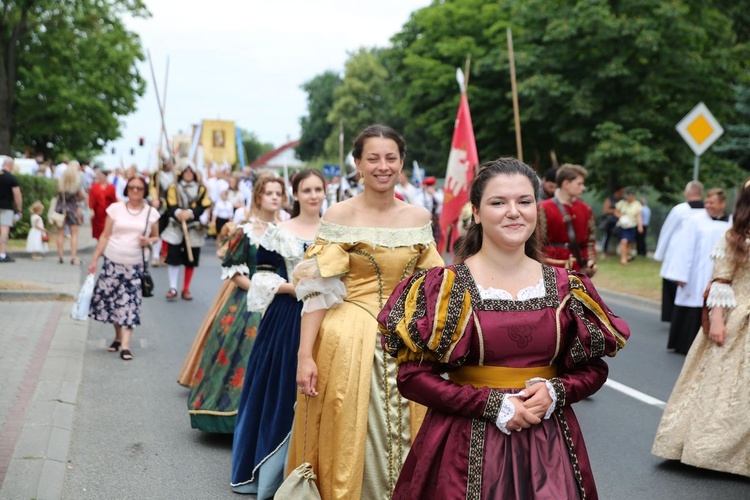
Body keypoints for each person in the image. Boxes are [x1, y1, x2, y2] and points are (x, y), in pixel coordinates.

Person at [378, 157, 630, 499]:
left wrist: (556, 391)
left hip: (550, 446)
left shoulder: (567, 286)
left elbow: (593, 370)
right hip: (463, 447)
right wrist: (491, 404)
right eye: (499, 202)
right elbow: (412, 377)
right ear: (477, 213)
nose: (514, 211)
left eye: (524, 201)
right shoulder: (447, 288)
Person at [290, 125, 443, 499]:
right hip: (348, 338)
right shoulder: (340, 214)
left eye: (390, 158)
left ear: (402, 163)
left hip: (409, 340)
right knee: (347, 426)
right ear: (357, 163)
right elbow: (317, 292)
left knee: (418, 425)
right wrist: (304, 355)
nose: (382, 166)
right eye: (372, 158)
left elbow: (434, 285)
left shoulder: (418, 216)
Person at [231, 169, 324, 496]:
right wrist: (297, 287)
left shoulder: (335, 231)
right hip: (288, 316)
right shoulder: (278, 231)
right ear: (295, 195)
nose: (314, 195)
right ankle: (273, 475)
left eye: (318, 189)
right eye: (307, 190)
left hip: (330, 317)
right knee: (282, 389)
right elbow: (261, 279)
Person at [652, 178, 750, 478]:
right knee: (725, 387)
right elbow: (721, 281)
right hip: (739, 317)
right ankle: (709, 450)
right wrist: (717, 321)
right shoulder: (733, 236)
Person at [182, 175, 285, 432]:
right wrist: (260, 291)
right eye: (269, 192)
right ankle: (231, 418)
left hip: (283, 300)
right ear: (258, 196)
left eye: (278, 193)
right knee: (241, 354)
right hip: (247, 301)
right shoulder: (245, 231)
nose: (274, 197)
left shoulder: (289, 231)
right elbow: (232, 270)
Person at [87, 175, 160, 361]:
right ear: (127, 189)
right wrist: (94, 260)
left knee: (129, 304)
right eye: (132, 187)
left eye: (139, 188)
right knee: (112, 302)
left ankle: (125, 346)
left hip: (135, 265)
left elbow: (156, 237)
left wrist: (148, 240)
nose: (135, 191)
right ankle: (118, 338)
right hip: (112, 261)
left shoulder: (151, 213)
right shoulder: (116, 209)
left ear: (145, 192)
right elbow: (105, 235)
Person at [662, 188, 730, 354]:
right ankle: (684, 344)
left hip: (718, 273)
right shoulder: (695, 220)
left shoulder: (732, 222)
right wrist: (680, 274)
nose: (707, 206)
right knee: (692, 304)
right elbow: (684, 247)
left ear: (723, 204)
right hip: (695, 273)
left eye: (712, 203)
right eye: (706, 202)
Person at [161, 160, 212, 301]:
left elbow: (203, 206)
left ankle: (186, 289)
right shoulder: (173, 188)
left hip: (193, 227)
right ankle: (173, 288)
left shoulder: (201, 189)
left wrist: (190, 212)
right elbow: (170, 205)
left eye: (191, 171)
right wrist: (178, 212)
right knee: (173, 257)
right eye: (186, 171)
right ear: (182, 173)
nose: (188, 174)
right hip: (176, 227)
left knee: (191, 259)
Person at [653, 181, 704, 322]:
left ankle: (673, 315)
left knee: (673, 286)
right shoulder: (707, 211)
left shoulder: (680, 210)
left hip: (676, 254)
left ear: (687, 193)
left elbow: (667, 231)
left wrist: (660, 254)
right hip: (698, 256)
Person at [538, 163, 597, 276]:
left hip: (578, 268)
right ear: (566, 184)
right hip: (551, 269)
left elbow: (590, 241)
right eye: (579, 184)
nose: (583, 187)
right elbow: (538, 243)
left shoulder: (585, 209)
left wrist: (591, 261)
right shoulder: (544, 208)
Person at [54, 161, 87, 265]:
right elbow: (82, 196)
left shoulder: (61, 182)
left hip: (60, 210)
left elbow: (57, 194)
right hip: (73, 210)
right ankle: (73, 257)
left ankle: (60, 256)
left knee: (60, 233)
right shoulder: (77, 183)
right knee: (74, 234)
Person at [149, 159, 175, 266]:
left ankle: (166, 255)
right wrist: (154, 198)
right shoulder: (157, 174)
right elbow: (152, 187)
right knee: (157, 232)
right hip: (159, 206)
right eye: (166, 162)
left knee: (169, 233)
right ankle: (155, 257)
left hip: (172, 206)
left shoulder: (176, 175)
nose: (168, 164)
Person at [0, 157, 22, 263]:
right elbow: (17, 196)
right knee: (4, 231)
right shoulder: (12, 178)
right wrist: (19, 210)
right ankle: (2, 254)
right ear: (11, 165)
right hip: (6, 207)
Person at [614, 188, 643, 265]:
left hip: (632, 226)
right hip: (623, 226)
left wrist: (640, 226)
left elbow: (638, 216)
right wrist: (621, 216)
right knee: (624, 241)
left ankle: (627, 255)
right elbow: (616, 211)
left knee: (629, 243)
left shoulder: (637, 204)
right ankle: (623, 259)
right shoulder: (622, 203)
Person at [88, 168, 117, 240]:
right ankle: (100, 245)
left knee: (107, 229)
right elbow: (91, 198)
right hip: (98, 212)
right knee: (98, 231)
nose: (100, 177)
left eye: (102, 176)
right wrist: (91, 209)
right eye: (99, 176)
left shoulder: (111, 187)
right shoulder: (94, 187)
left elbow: (114, 200)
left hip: (108, 212)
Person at [599, 186, 624, 256]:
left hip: (619, 221)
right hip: (610, 221)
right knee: (607, 236)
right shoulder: (610, 199)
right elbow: (605, 210)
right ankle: (604, 252)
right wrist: (614, 211)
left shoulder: (622, 200)